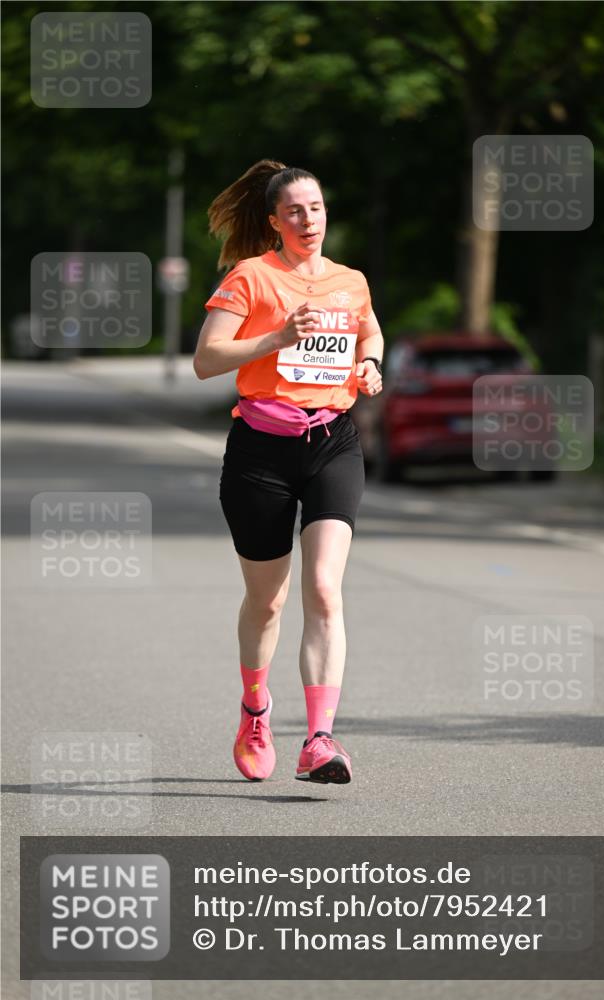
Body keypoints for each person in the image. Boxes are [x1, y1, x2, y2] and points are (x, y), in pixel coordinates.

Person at [194, 159, 384, 784]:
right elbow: (205, 360)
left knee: (325, 588)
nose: (309, 220)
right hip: (261, 452)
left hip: (332, 441)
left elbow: (369, 334)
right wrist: (274, 339)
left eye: (318, 209)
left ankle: (321, 740)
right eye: (296, 211)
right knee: (268, 600)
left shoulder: (350, 281)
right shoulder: (250, 278)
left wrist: (371, 365)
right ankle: (255, 709)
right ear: (275, 221)